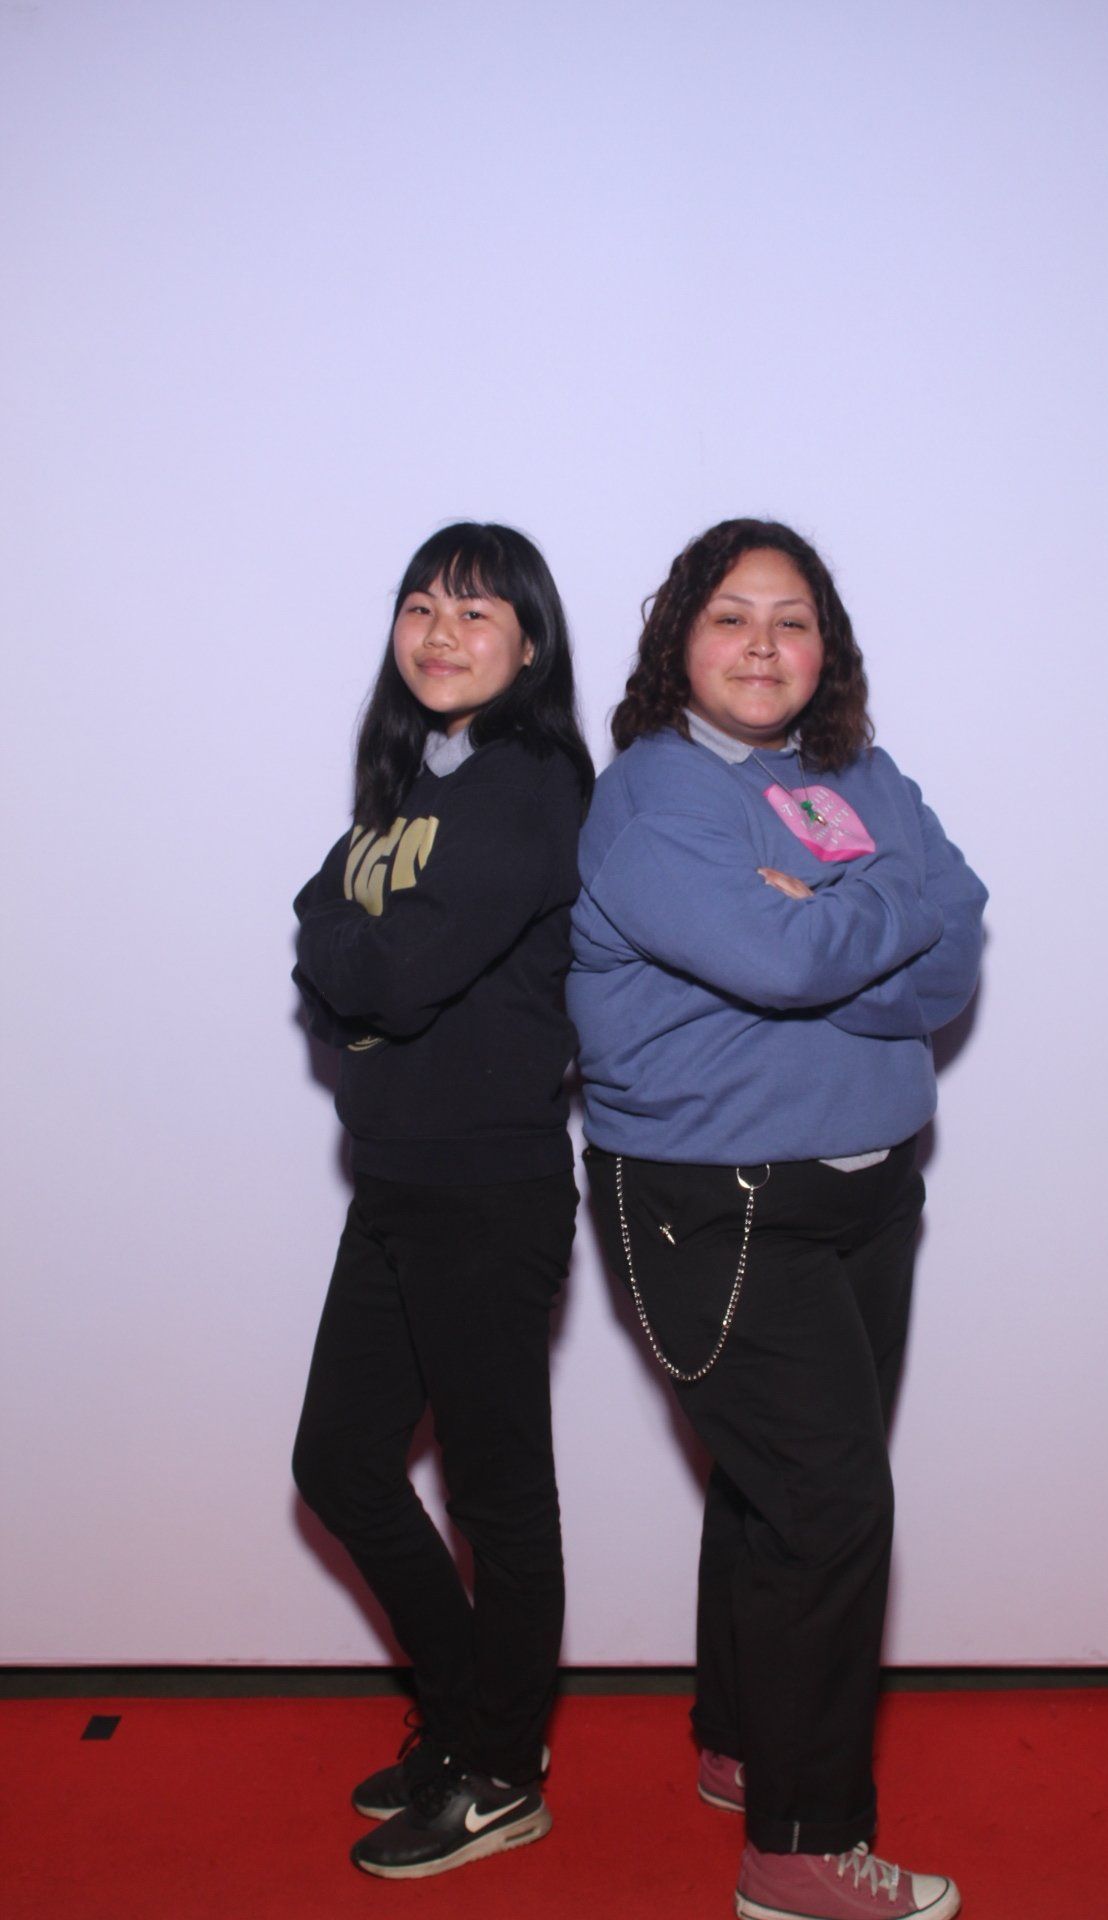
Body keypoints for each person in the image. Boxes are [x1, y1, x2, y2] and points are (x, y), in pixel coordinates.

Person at [569, 519, 986, 1920]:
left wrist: (843, 920)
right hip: (718, 1201)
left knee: (777, 1490)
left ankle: (748, 1742)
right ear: (679, 639)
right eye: (731, 616)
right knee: (825, 1503)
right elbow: (779, 955)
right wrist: (876, 914)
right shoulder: (653, 797)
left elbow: (955, 934)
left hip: (871, 1192)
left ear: (828, 646)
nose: (763, 645)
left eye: (792, 619)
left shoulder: (859, 771)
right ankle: (800, 1851)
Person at [291, 522, 593, 1881]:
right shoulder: (415, 780)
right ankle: (472, 1718)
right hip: (399, 1181)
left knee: (498, 1499)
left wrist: (356, 961)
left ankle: (503, 1774)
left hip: (486, 1188)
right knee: (340, 1463)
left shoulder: (530, 782)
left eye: (476, 612)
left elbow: (391, 975)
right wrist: (355, 960)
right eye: (420, 606)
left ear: (529, 644)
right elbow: (319, 925)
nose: (440, 633)